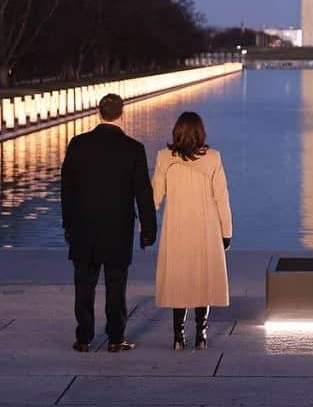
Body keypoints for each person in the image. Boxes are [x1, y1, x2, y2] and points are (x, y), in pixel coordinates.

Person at [61, 93, 157, 353]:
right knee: (116, 285)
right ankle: (115, 338)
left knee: (84, 285)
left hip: (83, 226)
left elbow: (66, 189)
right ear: (122, 113)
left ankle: (83, 338)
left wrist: (67, 224)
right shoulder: (133, 148)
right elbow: (143, 193)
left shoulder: (78, 144)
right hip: (117, 228)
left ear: (98, 112)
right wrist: (149, 230)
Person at [152, 111, 233, 351]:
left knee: (179, 280)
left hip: (176, 228)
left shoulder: (164, 157)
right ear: (201, 131)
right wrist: (226, 232)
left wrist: (144, 225)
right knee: (202, 279)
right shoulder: (213, 158)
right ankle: (202, 334)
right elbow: (222, 199)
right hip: (206, 228)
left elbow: (155, 196)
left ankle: (178, 336)